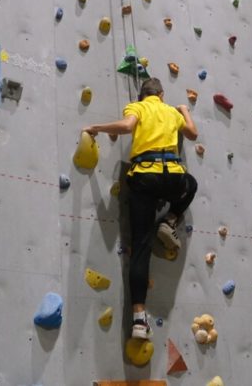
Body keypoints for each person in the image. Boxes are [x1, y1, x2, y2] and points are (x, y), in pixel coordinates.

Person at [82, 78, 198, 341]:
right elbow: (192, 133)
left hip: (144, 178)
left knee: (141, 247)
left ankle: (138, 320)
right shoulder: (171, 111)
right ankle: (170, 219)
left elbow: (127, 126)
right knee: (191, 184)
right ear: (161, 94)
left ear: (142, 95)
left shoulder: (137, 107)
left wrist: (96, 128)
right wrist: (184, 110)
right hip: (173, 178)